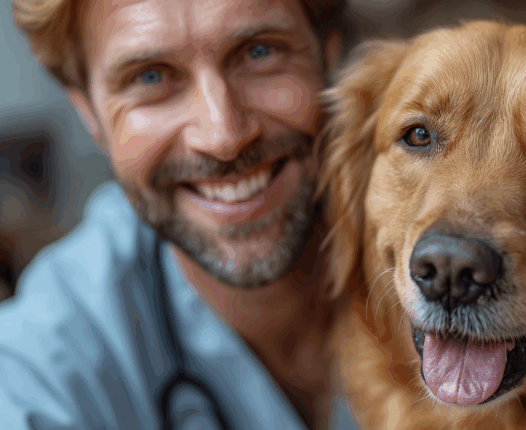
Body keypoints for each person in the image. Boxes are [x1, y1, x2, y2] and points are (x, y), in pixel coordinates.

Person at [0, 0, 356, 429]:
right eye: (150, 77)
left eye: (259, 51)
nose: (223, 136)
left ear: (329, 57)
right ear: (90, 115)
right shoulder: (43, 367)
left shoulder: (440, 237)